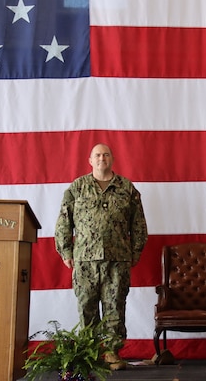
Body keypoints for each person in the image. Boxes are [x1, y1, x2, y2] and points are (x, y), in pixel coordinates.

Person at [55, 143, 148, 371]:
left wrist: (135, 251)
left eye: (106, 154)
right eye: (97, 155)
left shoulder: (126, 188)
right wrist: (66, 250)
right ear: (90, 160)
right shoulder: (77, 188)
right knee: (86, 305)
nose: (101, 158)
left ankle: (111, 352)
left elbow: (138, 224)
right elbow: (63, 222)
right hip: (85, 259)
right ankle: (90, 352)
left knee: (115, 305)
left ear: (112, 159)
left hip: (117, 259)